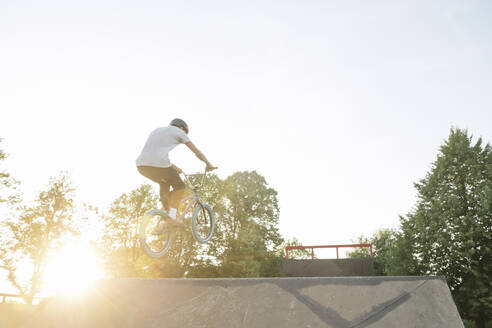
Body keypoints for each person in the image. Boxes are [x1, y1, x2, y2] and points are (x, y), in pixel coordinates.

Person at [136, 118, 216, 223]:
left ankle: (166, 214)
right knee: (180, 186)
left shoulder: (157, 130)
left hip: (141, 166)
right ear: (182, 128)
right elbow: (196, 152)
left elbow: (154, 155)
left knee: (164, 182)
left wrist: (173, 167)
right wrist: (208, 164)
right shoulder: (179, 131)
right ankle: (172, 217)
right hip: (159, 164)